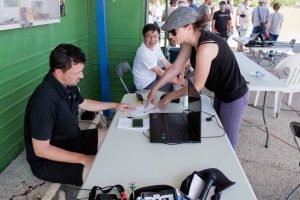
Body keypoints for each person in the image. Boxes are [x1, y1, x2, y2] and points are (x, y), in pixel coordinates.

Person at [23, 44, 133, 186]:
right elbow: (41, 150)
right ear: (58, 72)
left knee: (115, 134)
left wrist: (114, 105)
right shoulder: (44, 101)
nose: (82, 76)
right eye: (77, 72)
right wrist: (84, 158)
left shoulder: (68, 84)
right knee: (102, 173)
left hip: (71, 140)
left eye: (82, 70)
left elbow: (83, 103)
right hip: (49, 159)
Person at [147, 7, 249, 150]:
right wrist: (155, 88)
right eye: (168, 32)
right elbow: (176, 67)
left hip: (234, 96)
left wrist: (169, 96)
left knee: (228, 143)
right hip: (221, 92)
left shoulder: (205, 48)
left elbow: (197, 87)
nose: (170, 36)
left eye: (173, 31)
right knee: (218, 132)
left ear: (189, 27)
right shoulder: (189, 42)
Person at [133, 23, 183, 92]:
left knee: (172, 81)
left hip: (153, 77)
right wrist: (177, 81)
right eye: (148, 36)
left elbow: (165, 62)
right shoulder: (143, 52)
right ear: (144, 37)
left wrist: (178, 73)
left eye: (155, 36)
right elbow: (159, 71)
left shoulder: (155, 45)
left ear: (159, 36)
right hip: (145, 84)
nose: (152, 39)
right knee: (171, 87)